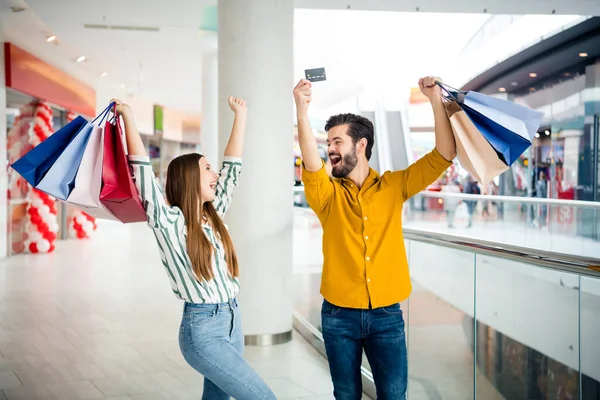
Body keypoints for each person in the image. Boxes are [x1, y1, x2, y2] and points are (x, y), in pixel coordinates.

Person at [293, 76, 456, 399]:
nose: (330, 149)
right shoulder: (327, 196)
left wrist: (435, 101)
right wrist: (301, 110)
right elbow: (313, 167)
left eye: (337, 142)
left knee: (394, 395)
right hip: (339, 315)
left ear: (361, 145)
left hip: (387, 315)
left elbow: (443, 155)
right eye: (328, 143)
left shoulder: (395, 186)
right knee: (346, 395)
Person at [112, 97, 276, 400]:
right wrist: (129, 118)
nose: (216, 175)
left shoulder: (213, 215)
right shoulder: (170, 222)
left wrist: (242, 115)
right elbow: (143, 175)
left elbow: (233, 170)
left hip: (232, 319)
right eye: (208, 169)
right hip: (202, 330)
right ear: (189, 179)